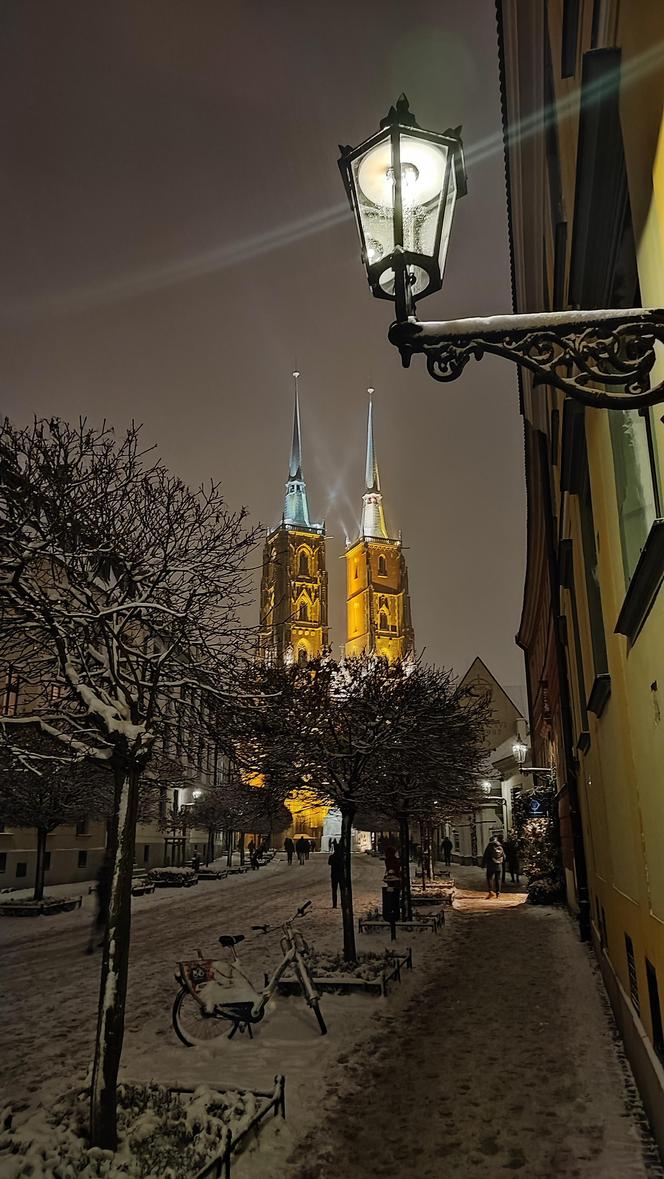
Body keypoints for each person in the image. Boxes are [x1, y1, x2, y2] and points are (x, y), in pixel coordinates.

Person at [85, 852, 112, 955]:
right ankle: (100, 940)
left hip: (103, 899)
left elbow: (100, 883)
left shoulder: (104, 870)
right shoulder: (108, 871)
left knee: (101, 922)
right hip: (105, 899)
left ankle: (98, 941)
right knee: (103, 921)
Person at [328, 839, 343, 909]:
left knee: (334, 890)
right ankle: (343, 903)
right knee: (342, 890)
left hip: (334, 875)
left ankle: (334, 904)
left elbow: (329, 863)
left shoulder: (331, 857)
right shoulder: (342, 857)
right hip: (341, 875)